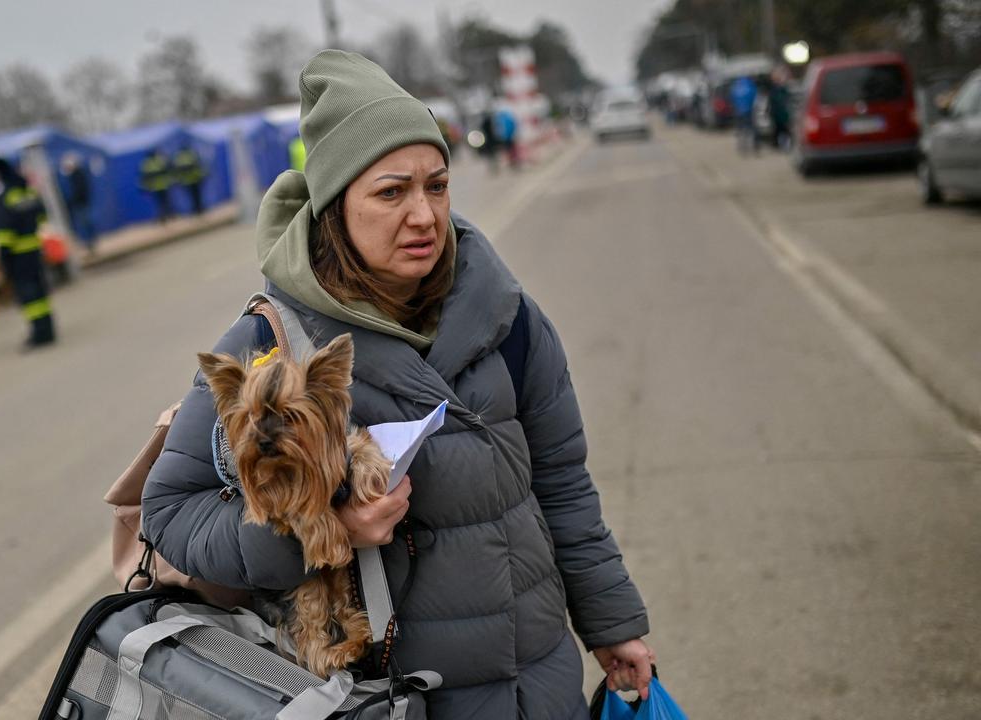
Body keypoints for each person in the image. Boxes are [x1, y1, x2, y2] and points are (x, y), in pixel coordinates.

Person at [141, 50, 653, 719]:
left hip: (539, 683)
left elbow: (561, 482)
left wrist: (611, 621)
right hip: (385, 701)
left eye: (436, 186)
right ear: (334, 207)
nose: (424, 216)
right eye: (391, 192)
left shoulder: (510, 318)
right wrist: (323, 529)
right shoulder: (272, 349)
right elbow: (173, 513)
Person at [0, 158, 56, 349]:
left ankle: (38, 334)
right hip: (34, 250)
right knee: (40, 293)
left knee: (29, 297)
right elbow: (42, 216)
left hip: (18, 255)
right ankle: (48, 330)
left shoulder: (4, 197)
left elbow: (3, 232)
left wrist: (3, 258)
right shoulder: (28, 192)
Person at [61, 154, 96, 252]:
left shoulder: (77, 175)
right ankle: (88, 243)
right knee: (83, 224)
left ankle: (90, 243)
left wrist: (75, 200)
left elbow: (80, 190)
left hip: (81, 203)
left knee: (85, 223)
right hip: (78, 203)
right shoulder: (73, 176)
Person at [171, 145, 207, 216]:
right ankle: (200, 209)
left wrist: (179, 180)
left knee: (192, 197)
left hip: (186, 181)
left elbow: (176, 170)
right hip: (195, 179)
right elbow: (198, 165)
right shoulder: (191, 154)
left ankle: (196, 210)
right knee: (197, 196)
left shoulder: (179, 158)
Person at [138, 148, 173, 224]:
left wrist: (144, 187)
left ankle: (164, 217)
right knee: (165, 202)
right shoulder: (159, 160)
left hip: (154, 187)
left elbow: (144, 177)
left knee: (160, 203)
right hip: (163, 185)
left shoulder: (145, 163)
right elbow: (167, 169)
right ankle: (167, 216)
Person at [730, 74, 758, 155]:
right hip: (748, 111)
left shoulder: (735, 87)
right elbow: (755, 98)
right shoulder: (751, 86)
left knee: (740, 131)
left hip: (738, 112)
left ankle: (742, 147)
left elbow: (732, 98)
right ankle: (752, 147)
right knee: (750, 130)